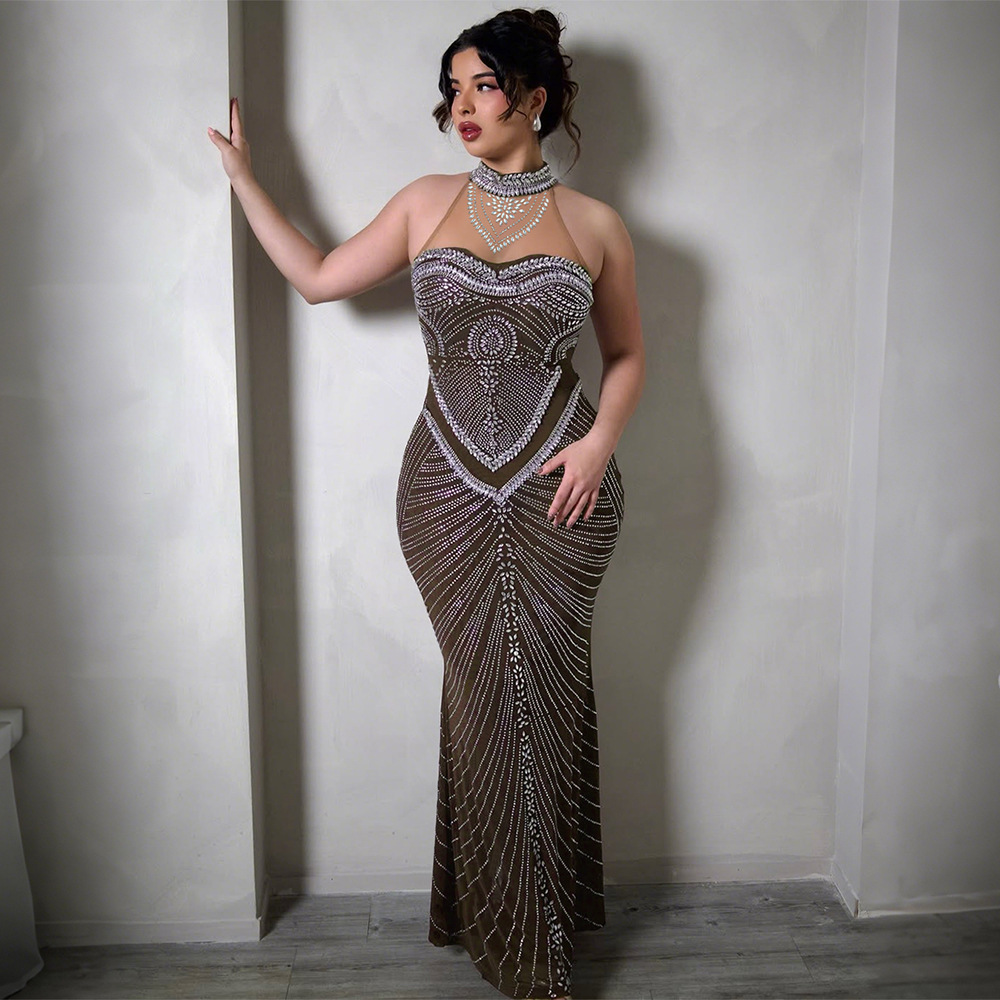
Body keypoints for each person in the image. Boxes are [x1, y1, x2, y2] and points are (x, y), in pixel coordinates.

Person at [208, 7, 644, 998]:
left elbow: (626, 355)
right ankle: (504, 928)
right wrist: (245, 180)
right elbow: (319, 279)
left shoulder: (597, 226)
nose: (463, 107)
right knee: (484, 696)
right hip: (444, 493)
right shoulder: (423, 203)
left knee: (545, 697)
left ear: (535, 97)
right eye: (453, 90)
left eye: (483, 85)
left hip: (564, 495)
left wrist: (600, 443)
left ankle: (532, 929)